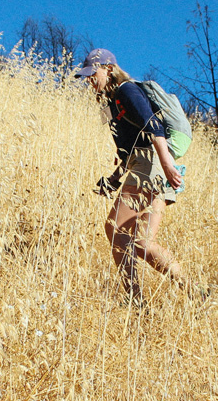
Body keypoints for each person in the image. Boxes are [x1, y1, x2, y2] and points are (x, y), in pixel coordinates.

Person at [76, 48, 198, 310]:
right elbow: (125, 153)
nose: (89, 80)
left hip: (152, 163)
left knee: (115, 230)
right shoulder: (111, 106)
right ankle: (194, 290)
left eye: (92, 73)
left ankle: (136, 301)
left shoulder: (126, 91)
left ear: (108, 69)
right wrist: (113, 180)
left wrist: (167, 164)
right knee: (142, 243)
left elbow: (153, 125)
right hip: (148, 165)